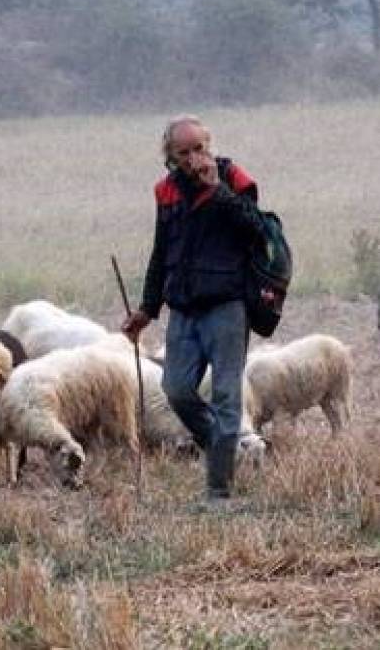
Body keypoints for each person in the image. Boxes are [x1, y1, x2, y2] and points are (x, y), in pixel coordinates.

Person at [121, 114, 265, 504]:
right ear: (170, 156)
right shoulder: (165, 192)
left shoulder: (234, 178)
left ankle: (219, 491)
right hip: (183, 310)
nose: (193, 158)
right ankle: (225, 451)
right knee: (177, 390)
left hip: (228, 307)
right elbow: (161, 252)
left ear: (209, 145)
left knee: (225, 397)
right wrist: (147, 310)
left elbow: (256, 229)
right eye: (183, 152)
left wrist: (217, 190)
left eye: (199, 148)